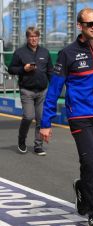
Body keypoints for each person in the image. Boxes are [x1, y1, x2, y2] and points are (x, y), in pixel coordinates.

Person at [40, 8, 93, 226]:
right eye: (89, 23)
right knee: (89, 163)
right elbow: (54, 90)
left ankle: (83, 188)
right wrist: (45, 123)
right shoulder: (67, 53)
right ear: (79, 26)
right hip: (79, 117)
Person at [8, 26, 53, 156]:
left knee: (40, 118)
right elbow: (11, 69)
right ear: (27, 38)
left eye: (35, 36)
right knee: (28, 116)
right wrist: (24, 69)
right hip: (27, 90)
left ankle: (38, 146)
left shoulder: (45, 52)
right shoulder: (20, 52)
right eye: (31, 37)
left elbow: (50, 71)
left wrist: (53, 89)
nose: (33, 39)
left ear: (39, 37)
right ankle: (21, 140)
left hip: (42, 91)